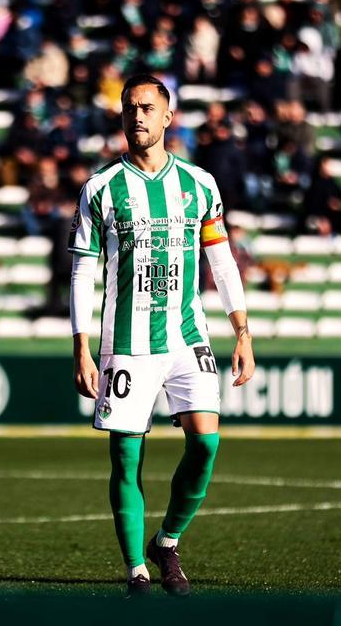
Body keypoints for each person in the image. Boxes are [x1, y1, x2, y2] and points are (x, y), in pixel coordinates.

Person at [69, 75, 256, 597]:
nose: (138, 117)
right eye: (130, 108)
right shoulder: (101, 188)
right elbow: (83, 271)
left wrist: (242, 331)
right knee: (126, 458)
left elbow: (221, 258)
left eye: (148, 108)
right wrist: (81, 345)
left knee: (206, 444)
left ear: (168, 117)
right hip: (124, 342)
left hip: (186, 335)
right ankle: (136, 571)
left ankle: (167, 540)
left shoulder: (199, 184)